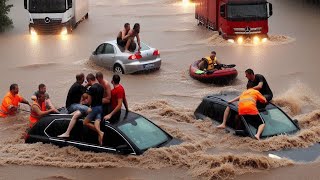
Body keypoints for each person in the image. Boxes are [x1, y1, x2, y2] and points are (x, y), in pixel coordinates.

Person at [58, 73, 91, 138]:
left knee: (80, 113)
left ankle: (67, 132)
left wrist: (87, 85)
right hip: (71, 106)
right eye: (83, 78)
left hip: (71, 105)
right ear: (82, 78)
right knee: (89, 110)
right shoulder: (78, 86)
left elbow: (83, 89)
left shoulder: (76, 85)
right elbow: (86, 93)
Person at [83, 73, 105, 145]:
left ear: (89, 80)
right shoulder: (101, 87)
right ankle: (100, 144)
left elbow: (89, 102)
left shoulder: (91, 88)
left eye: (87, 81)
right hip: (101, 108)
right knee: (97, 123)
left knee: (85, 122)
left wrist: (85, 102)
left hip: (94, 108)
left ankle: (100, 132)